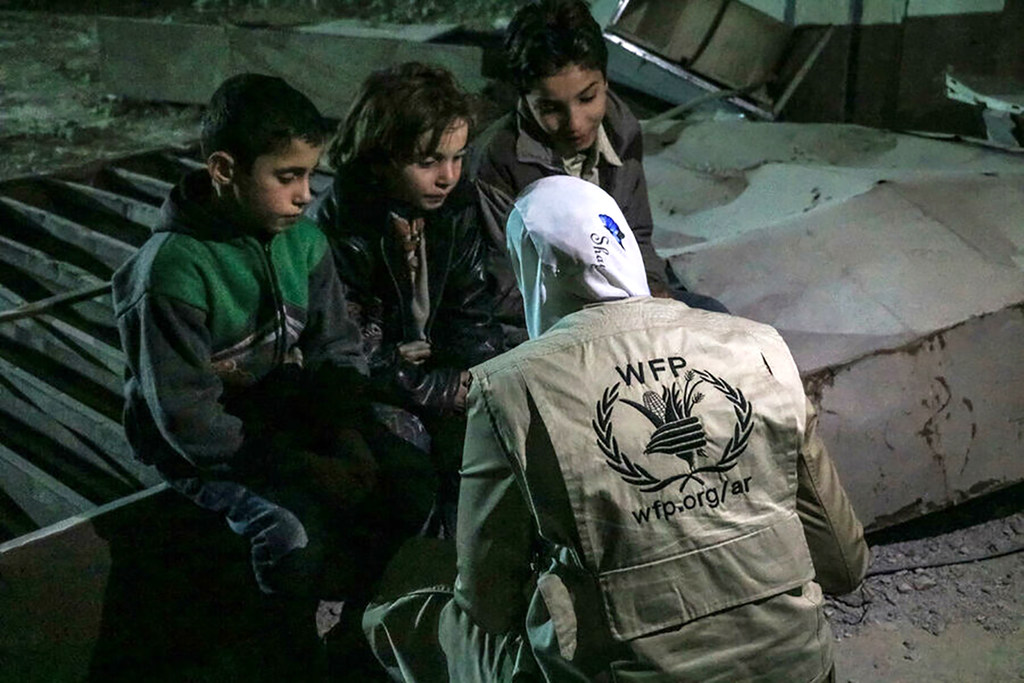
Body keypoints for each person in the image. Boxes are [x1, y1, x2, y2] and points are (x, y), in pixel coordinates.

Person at [365, 176, 870, 682]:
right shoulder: (760, 346)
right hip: (799, 670)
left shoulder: (509, 388)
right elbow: (845, 565)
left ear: (531, 271)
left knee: (407, 588)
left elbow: (488, 604)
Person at [113, 73, 434, 676]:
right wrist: (311, 468)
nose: (306, 194)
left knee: (412, 483)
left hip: (288, 416)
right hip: (212, 449)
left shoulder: (304, 242)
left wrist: (348, 440)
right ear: (224, 169)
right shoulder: (171, 273)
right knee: (293, 538)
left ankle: (357, 630)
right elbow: (189, 420)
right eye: (287, 178)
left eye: (310, 176)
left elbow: (338, 350)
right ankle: (284, 654)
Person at [312, 62, 505, 533]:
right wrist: (429, 386)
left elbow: (471, 312)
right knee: (409, 475)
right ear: (381, 159)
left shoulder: (455, 210)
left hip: (429, 367)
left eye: (458, 157)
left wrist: (468, 380)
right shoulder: (343, 228)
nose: (448, 176)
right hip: (375, 386)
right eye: (428, 162)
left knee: (491, 450)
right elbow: (347, 349)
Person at [471, 0, 727, 324]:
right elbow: (505, 289)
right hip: (555, 321)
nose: (575, 123)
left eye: (588, 98)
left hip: (631, 300)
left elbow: (637, 233)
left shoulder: (621, 128)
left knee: (715, 317)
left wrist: (654, 287)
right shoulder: (497, 162)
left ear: (606, 81)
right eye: (550, 109)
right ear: (524, 98)